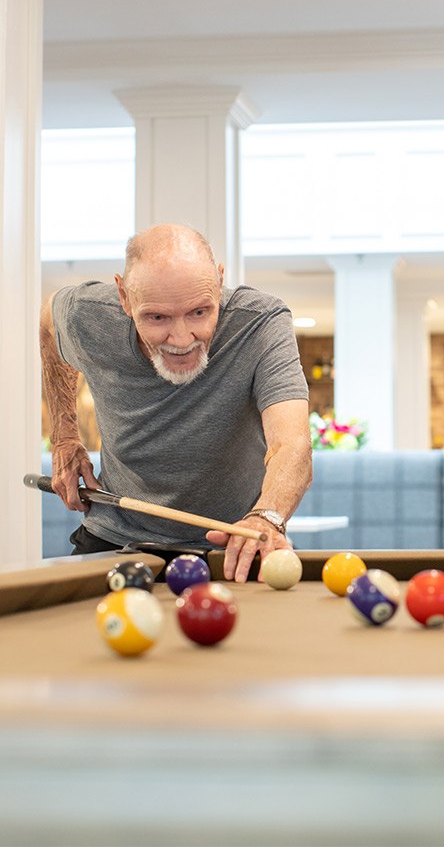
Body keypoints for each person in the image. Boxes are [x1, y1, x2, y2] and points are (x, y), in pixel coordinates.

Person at [41, 223, 312, 582]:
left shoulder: (261, 323)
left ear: (219, 282)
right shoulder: (86, 314)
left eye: (200, 312)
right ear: (124, 297)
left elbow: (292, 444)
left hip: (235, 544)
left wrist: (267, 516)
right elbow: (47, 325)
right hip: (115, 539)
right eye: (157, 318)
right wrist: (63, 437)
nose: (182, 338)